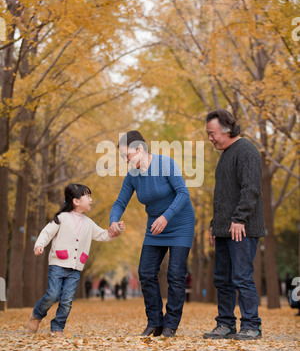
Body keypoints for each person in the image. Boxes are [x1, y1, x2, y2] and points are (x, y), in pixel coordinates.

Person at [109, 131, 195, 338]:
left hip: (179, 223)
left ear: (139, 149)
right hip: (155, 227)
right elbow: (120, 202)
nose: (126, 160)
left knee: (175, 275)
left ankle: (170, 325)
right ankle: (155, 322)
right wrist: (113, 221)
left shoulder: (165, 163)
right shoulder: (133, 176)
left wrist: (166, 217)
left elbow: (183, 193)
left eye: (126, 155)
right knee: (146, 273)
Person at [27, 183, 125, 336]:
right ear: (76, 201)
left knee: (66, 300)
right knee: (52, 294)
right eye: (88, 197)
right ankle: (37, 315)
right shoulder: (61, 218)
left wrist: (117, 230)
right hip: (58, 263)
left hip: (76, 268)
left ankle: (57, 327)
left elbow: (103, 235)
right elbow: (47, 233)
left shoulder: (88, 223)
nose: (91, 200)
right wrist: (39, 245)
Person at [203, 110, 266, 341]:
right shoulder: (226, 154)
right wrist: (214, 224)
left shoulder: (246, 151)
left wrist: (239, 219)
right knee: (222, 279)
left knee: (242, 277)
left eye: (212, 133)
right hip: (224, 230)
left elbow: (250, 190)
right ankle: (226, 325)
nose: (210, 138)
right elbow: (223, 195)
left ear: (227, 130)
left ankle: (252, 326)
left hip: (242, 228)